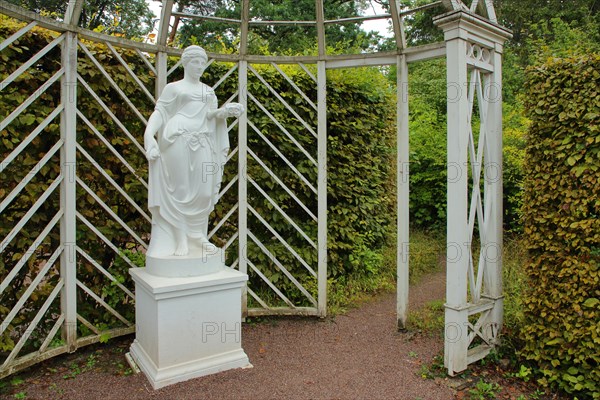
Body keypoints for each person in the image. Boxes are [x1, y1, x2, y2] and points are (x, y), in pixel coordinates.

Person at [144, 45, 244, 257]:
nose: (199, 66)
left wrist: (225, 111)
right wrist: (148, 136)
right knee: (180, 190)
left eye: (202, 62)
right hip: (178, 141)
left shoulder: (208, 91)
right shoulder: (174, 88)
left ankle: (197, 236)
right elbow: (160, 113)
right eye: (195, 62)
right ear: (185, 63)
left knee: (205, 191)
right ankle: (181, 239)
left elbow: (209, 116)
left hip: (204, 142)